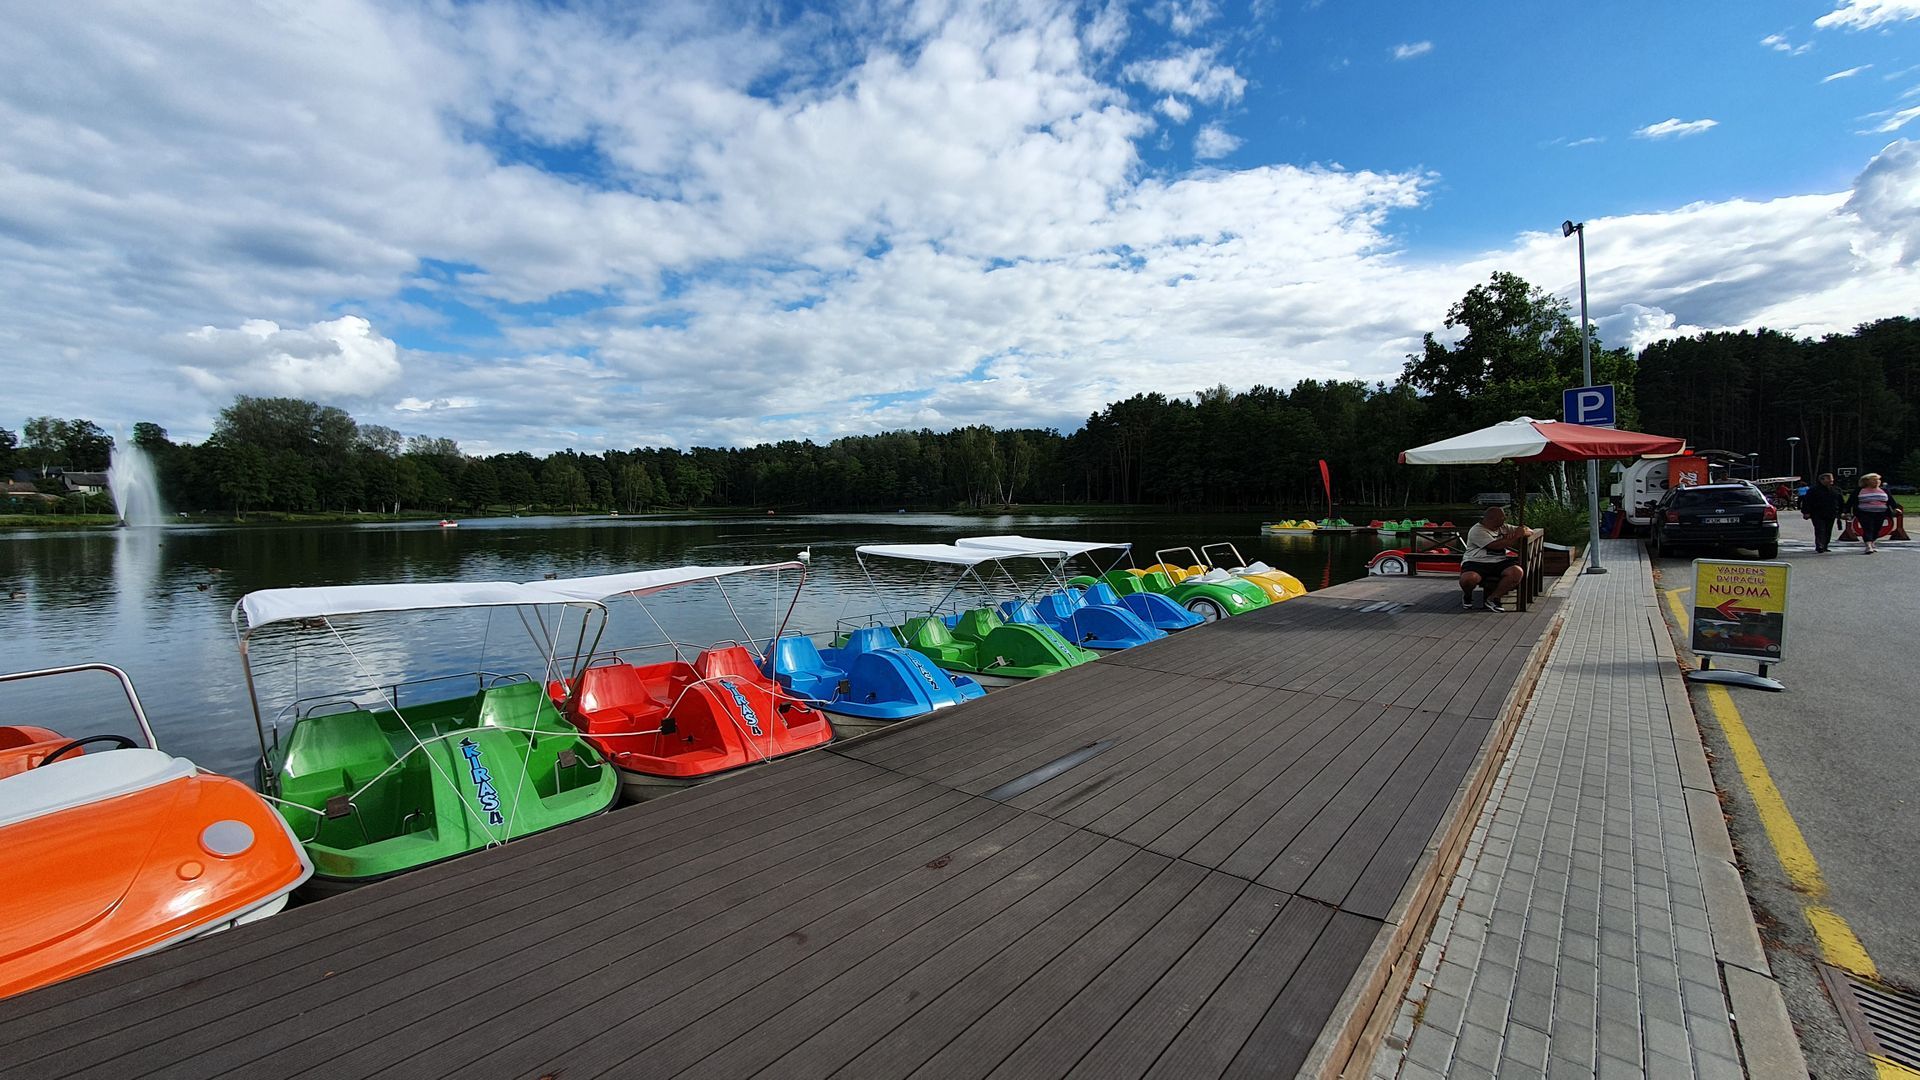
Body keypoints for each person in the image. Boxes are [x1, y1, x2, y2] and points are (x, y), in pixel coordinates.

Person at [1459, 506, 1532, 612]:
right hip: (1476, 561)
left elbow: (1529, 531)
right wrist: (1516, 536)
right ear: (1491, 519)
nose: (1504, 519)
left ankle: (1493, 598)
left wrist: (1523, 531)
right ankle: (1467, 595)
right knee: (1469, 579)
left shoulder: (1503, 527)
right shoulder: (1477, 531)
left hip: (1499, 561)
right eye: (1502, 518)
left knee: (1517, 572)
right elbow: (1495, 545)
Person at [1846, 473, 1902, 554]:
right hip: (1864, 513)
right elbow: (1850, 502)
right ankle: (1868, 546)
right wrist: (1846, 512)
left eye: (1878, 480)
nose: (1877, 482)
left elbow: (1891, 501)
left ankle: (1872, 542)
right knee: (1868, 528)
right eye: (1874, 480)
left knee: (1877, 529)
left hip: (1881, 513)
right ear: (1867, 481)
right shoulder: (1859, 490)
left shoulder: (1884, 490)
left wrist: (1895, 508)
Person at [1801, 472, 1845, 553]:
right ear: (1822, 480)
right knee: (1820, 529)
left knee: (1828, 530)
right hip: (1817, 513)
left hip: (1831, 512)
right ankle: (1819, 545)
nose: (1831, 480)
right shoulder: (1813, 490)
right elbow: (1807, 501)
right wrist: (1806, 512)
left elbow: (1841, 502)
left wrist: (1842, 512)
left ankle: (1825, 545)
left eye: (1832, 478)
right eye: (1828, 478)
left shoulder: (1836, 490)